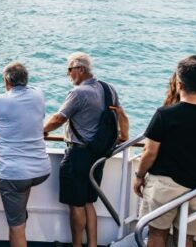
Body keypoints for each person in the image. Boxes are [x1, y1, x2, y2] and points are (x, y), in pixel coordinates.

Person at [134, 58, 196, 247]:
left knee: (157, 234)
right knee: (185, 237)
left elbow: (150, 152)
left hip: (164, 185)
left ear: (179, 84)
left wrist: (139, 176)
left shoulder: (165, 114)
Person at [43, 52, 128, 247]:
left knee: (76, 204)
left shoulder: (79, 93)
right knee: (89, 202)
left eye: (69, 70)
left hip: (78, 154)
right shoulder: (109, 89)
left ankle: (76, 245)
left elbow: (58, 118)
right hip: (98, 154)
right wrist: (123, 137)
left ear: (81, 70)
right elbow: (122, 116)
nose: (68, 74)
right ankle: (92, 244)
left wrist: (41, 130)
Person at [0, 62, 51, 247]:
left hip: (15, 173)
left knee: (16, 227)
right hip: (41, 170)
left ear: (6, 81)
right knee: (19, 215)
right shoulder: (38, 95)